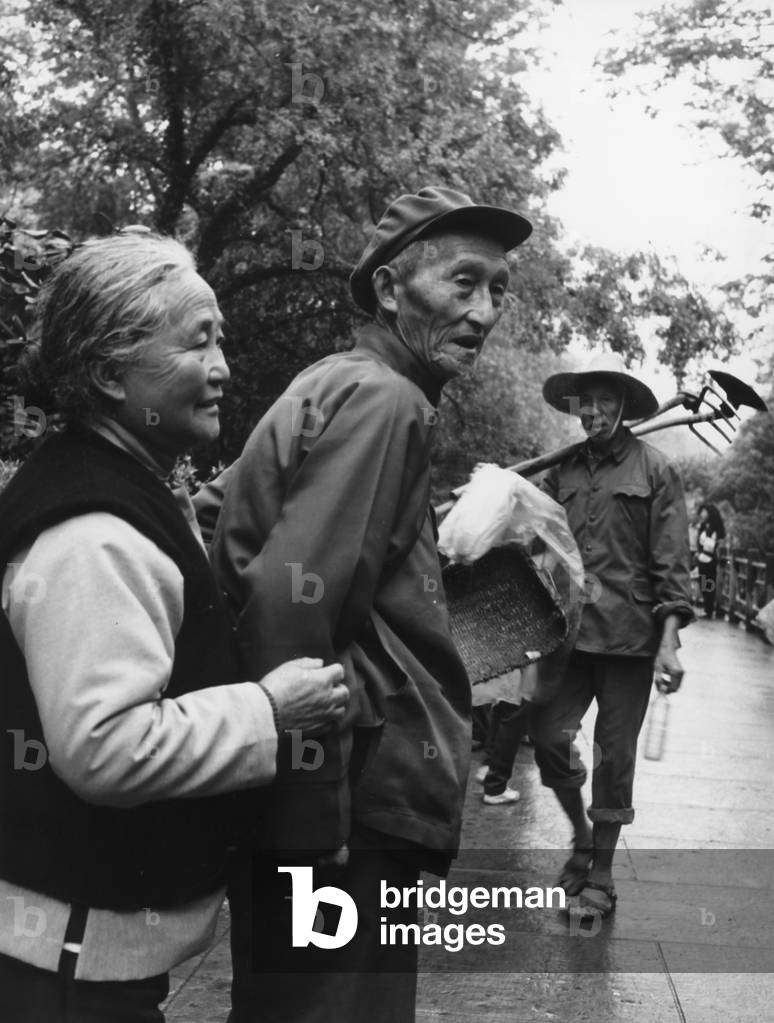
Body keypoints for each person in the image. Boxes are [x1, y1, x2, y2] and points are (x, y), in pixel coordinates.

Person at [197, 185, 533, 1022]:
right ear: (390, 289)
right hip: (348, 807)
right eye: (463, 282)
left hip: (325, 794)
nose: (484, 311)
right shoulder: (387, 401)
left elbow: (222, 521)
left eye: (497, 289)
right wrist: (312, 820)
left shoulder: (332, 382)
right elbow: (291, 594)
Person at [0, 233, 348, 1023]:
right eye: (199, 341)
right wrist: (269, 710)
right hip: (63, 973)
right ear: (109, 373)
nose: (223, 367)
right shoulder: (94, 533)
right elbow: (103, 748)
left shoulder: (120, 488)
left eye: (220, 338)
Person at [531, 352, 694, 920]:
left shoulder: (655, 470)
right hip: (568, 635)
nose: (593, 410)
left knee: (613, 757)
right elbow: (540, 541)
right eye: (586, 401)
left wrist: (670, 639)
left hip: (630, 640)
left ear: (624, 407)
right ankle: (579, 833)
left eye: (605, 400)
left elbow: (673, 562)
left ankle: (600, 871)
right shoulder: (563, 469)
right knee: (549, 734)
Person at [695, 502, 726, 617]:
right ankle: (707, 608)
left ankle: (709, 610)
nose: (702, 515)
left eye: (704, 512)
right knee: (703, 583)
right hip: (702, 559)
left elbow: (712, 546)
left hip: (710, 559)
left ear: (709, 513)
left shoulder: (715, 528)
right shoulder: (704, 526)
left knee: (709, 584)